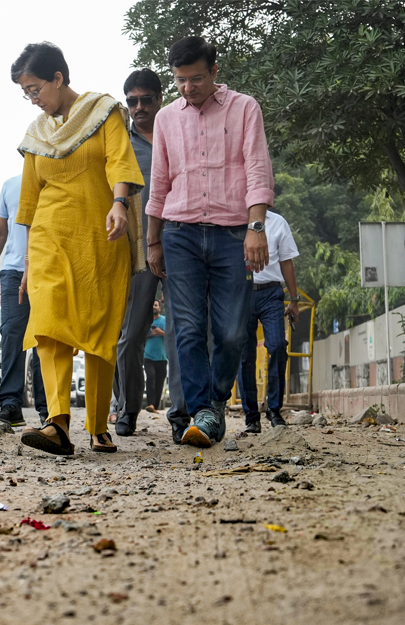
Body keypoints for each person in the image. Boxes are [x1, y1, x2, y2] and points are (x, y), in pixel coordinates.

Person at [11, 42, 146, 456]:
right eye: (25, 94)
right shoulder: (36, 133)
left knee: (99, 329)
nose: (33, 100)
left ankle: (98, 424)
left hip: (100, 234)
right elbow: (31, 200)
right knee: (48, 324)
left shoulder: (103, 111)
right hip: (50, 237)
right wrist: (30, 264)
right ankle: (58, 423)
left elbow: (119, 162)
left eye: (36, 89)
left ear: (58, 78)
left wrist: (120, 205)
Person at [146, 36, 274, 447]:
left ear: (214, 72)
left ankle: (213, 403)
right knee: (187, 329)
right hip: (179, 233)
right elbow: (159, 183)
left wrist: (256, 228)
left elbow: (257, 170)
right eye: (180, 80)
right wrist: (153, 242)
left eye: (196, 78)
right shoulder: (166, 119)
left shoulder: (244, 108)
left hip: (233, 234)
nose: (188, 88)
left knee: (234, 332)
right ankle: (202, 410)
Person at [110, 68, 164, 436]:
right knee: (129, 336)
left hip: (184, 242)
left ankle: (192, 412)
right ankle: (128, 408)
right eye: (132, 101)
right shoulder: (121, 145)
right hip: (140, 252)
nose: (139, 107)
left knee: (188, 333)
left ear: (160, 99)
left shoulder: (178, 132)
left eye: (146, 99)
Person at [0, 175, 48, 427]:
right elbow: (0, 231)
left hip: (48, 268)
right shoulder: (10, 185)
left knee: (44, 338)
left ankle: (47, 409)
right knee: (12, 334)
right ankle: (11, 404)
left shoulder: (54, 179)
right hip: (12, 271)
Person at [237, 209, 300, 432]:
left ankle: (274, 409)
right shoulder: (234, 219)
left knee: (278, 346)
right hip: (241, 293)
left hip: (271, 294)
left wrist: (293, 299)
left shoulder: (278, 222)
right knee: (245, 355)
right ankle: (251, 416)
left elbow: (287, 262)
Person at [144, 301, 167, 412]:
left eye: (156, 305)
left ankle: (155, 405)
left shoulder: (164, 320)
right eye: (152, 305)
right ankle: (151, 404)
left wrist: (161, 332)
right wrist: (149, 334)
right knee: (151, 378)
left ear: (160, 308)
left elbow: (172, 335)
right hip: (147, 356)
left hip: (162, 357)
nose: (154, 307)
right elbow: (138, 335)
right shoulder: (146, 320)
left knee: (159, 382)